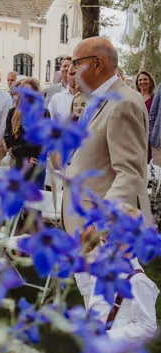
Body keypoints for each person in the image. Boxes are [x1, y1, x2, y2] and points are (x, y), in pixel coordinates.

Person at [62, 38, 152, 236]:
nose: (72, 70)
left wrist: (99, 224)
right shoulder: (95, 100)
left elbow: (130, 174)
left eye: (76, 63)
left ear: (98, 64)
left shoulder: (123, 103)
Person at [3, 78, 48, 187]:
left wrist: (33, 157)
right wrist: (25, 157)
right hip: (18, 163)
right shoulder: (12, 113)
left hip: (37, 165)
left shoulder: (44, 113)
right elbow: (9, 141)